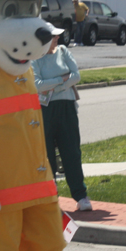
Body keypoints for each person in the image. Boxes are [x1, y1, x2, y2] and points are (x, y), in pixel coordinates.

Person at [32, 23, 92, 211]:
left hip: (67, 107)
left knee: (71, 151)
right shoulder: (35, 58)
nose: (57, 38)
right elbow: (37, 85)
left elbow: (76, 76)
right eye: (53, 36)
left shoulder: (64, 51)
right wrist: (61, 80)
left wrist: (54, 86)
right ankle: (51, 196)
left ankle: (80, 195)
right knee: (47, 154)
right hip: (45, 110)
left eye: (57, 36)